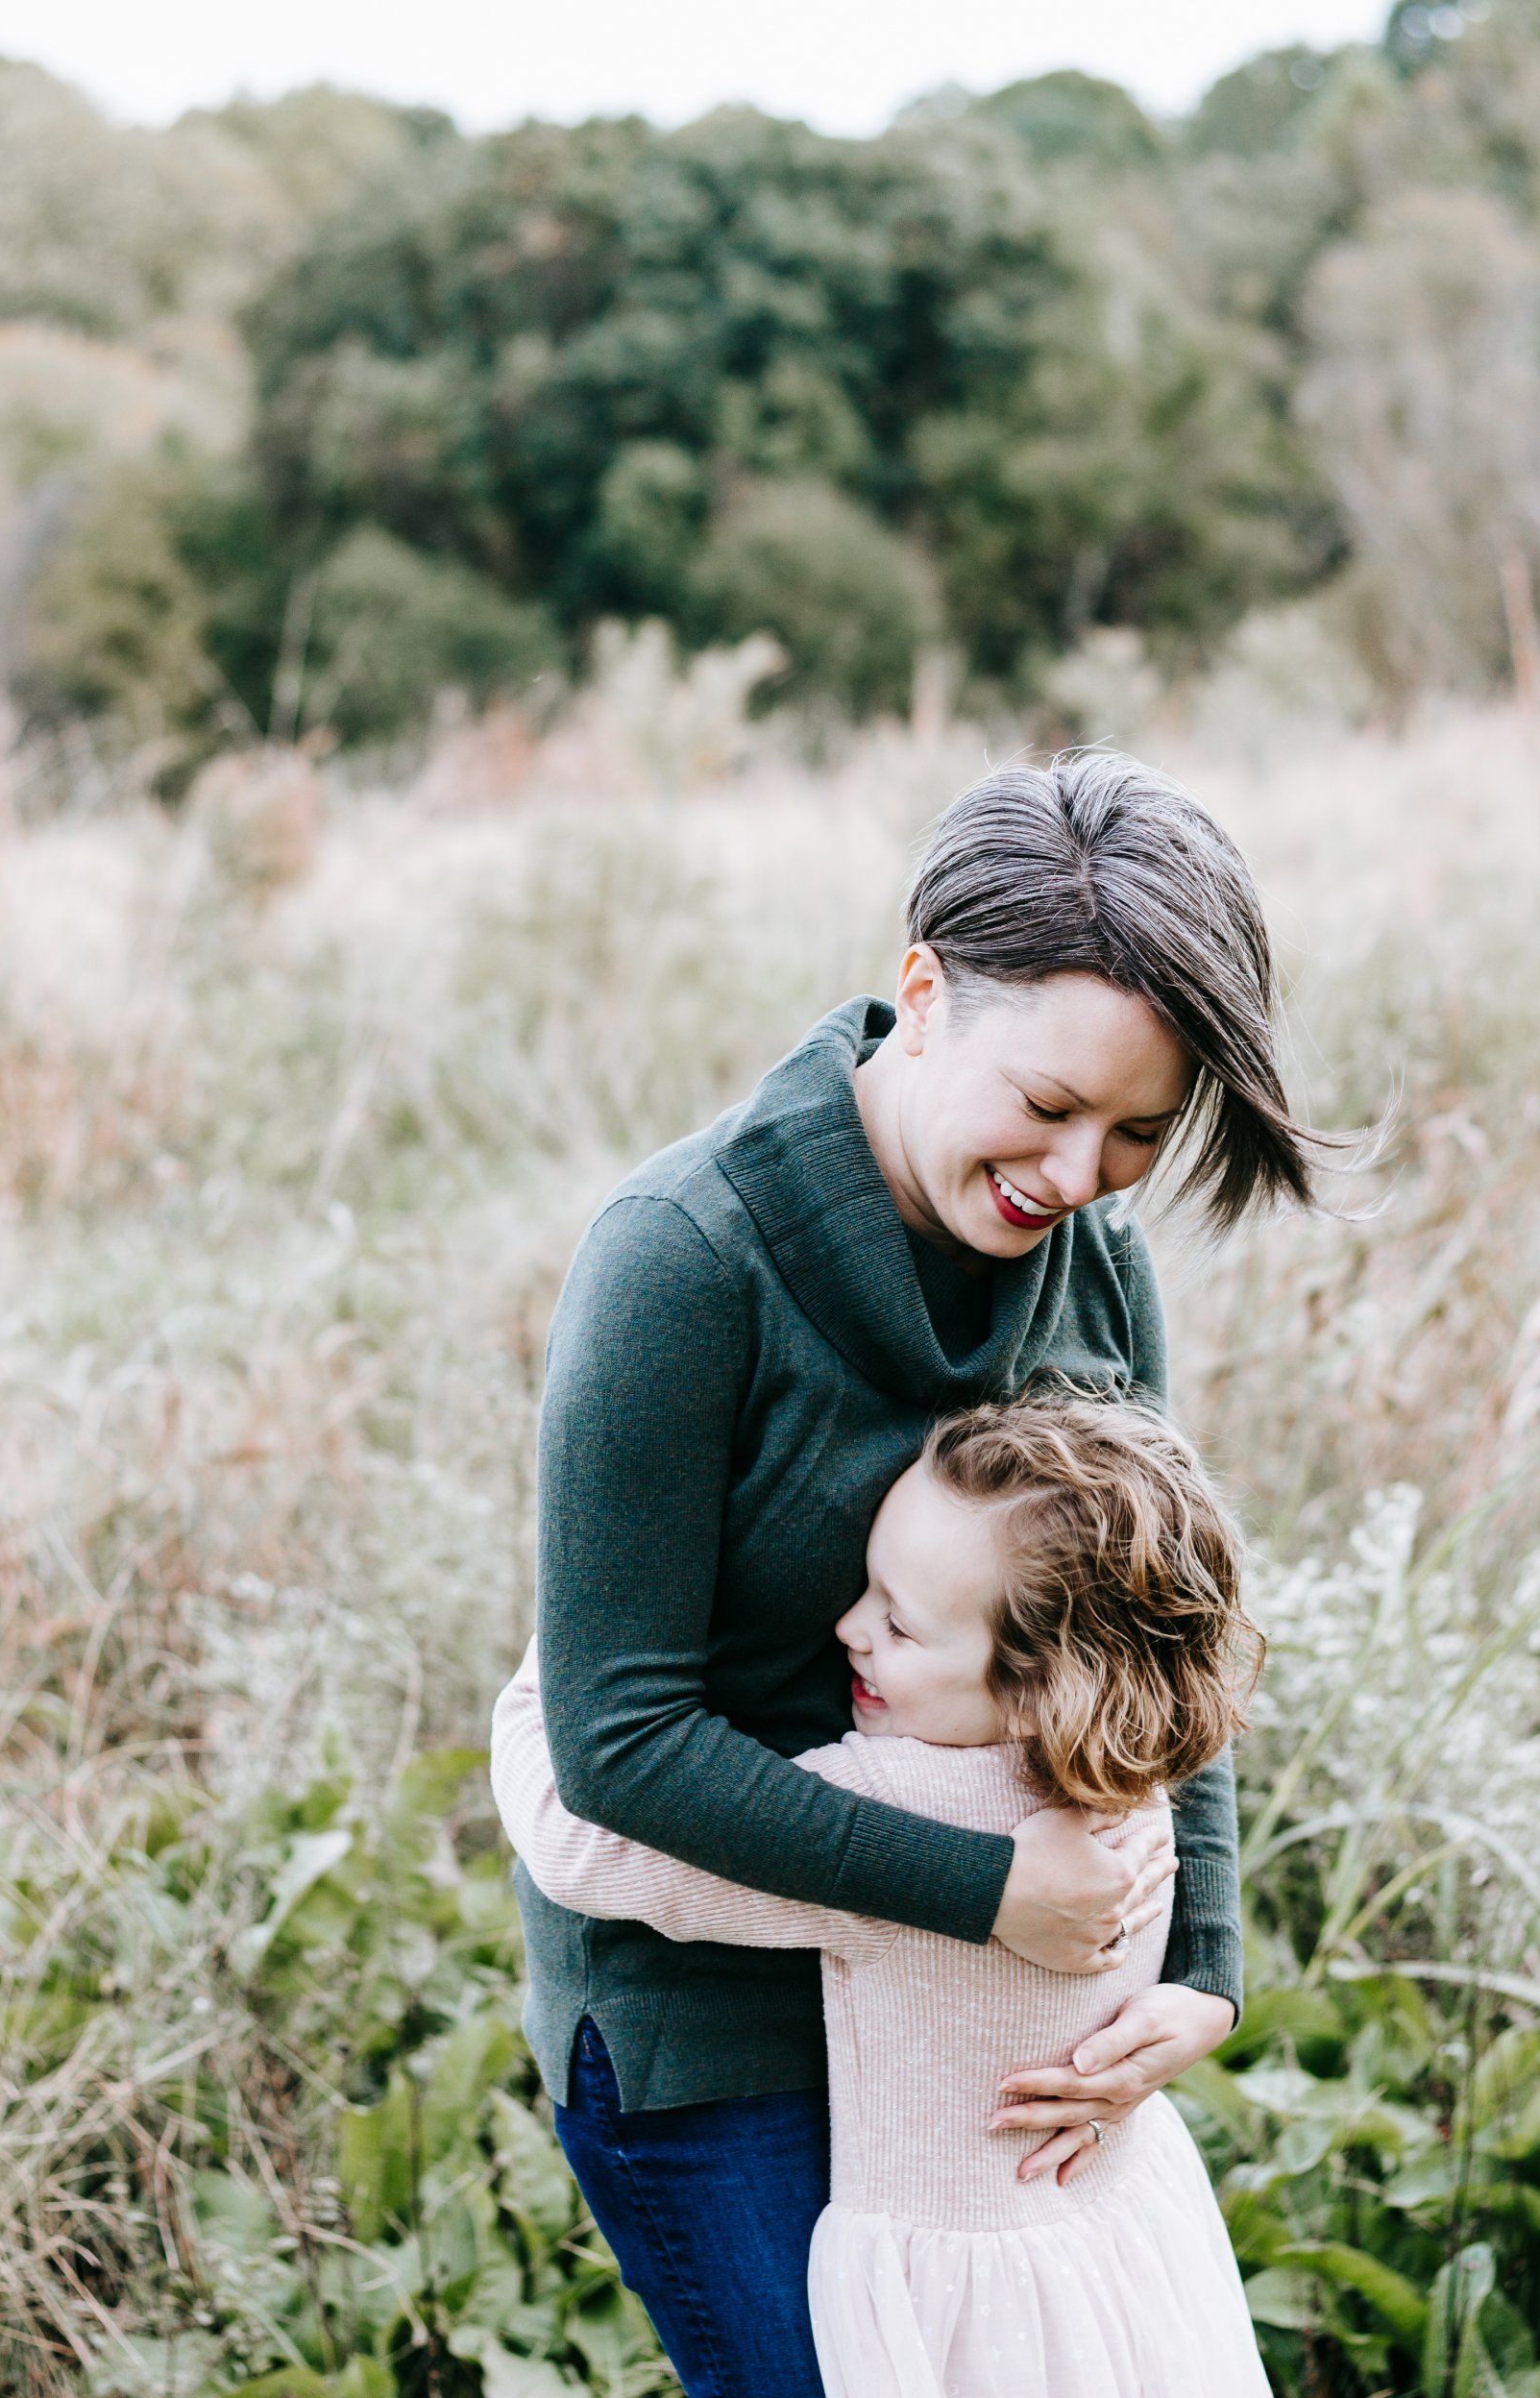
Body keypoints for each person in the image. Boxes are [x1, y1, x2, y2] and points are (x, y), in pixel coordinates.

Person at [515, 751, 1320, 2398]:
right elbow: (620, 1741)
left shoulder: (1093, 1261)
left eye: (1138, 1134)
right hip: (714, 2033)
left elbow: (1157, 1631)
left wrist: (1203, 1972)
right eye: (1048, 1105)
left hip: (990, 2028)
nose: (1081, 1175)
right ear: (924, 993)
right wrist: (999, 1894)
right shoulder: (680, 1264)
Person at [494, 1390, 1272, 2398]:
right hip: (1120, 2257)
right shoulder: (1138, 1779)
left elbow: (578, 1842)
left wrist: (560, 1660)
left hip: (960, 2320)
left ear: (1038, 1686)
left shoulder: (905, 1800)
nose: (849, 1628)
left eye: (899, 1626)